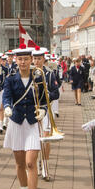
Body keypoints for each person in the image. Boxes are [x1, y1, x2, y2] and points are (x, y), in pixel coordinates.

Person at [2, 44, 47, 189]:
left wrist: (42, 109)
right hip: (16, 122)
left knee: (30, 163)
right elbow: (6, 96)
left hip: (32, 122)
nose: (23, 62)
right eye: (20, 59)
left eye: (26, 59)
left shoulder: (38, 77)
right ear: (16, 60)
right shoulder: (10, 79)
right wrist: (6, 107)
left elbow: (43, 97)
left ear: (31, 60)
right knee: (20, 164)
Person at [32, 47, 59, 180]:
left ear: (43, 59)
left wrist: (49, 93)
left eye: (39, 58)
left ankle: (45, 166)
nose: (36, 61)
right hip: (32, 109)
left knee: (45, 138)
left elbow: (56, 93)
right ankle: (36, 163)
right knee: (35, 138)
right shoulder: (29, 73)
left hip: (46, 109)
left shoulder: (49, 74)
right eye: (35, 58)